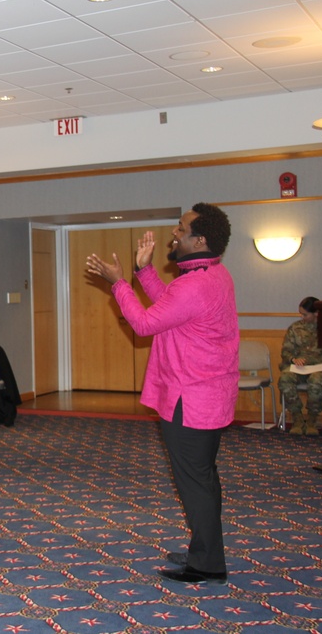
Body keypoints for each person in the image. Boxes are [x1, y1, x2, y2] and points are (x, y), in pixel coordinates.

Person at [86, 203, 237, 586]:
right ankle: (205, 549)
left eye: (181, 228)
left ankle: (207, 565)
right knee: (203, 479)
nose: (174, 232)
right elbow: (170, 305)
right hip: (205, 394)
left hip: (192, 399)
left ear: (199, 239)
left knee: (195, 482)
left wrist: (119, 282)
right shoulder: (210, 275)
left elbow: (143, 323)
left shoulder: (196, 283)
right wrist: (143, 272)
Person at [278, 296, 322, 436]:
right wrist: (293, 359)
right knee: (285, 378)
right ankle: (297, 418)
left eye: (305, 314)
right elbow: (286, 351)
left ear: (316, 313)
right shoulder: (296, 328)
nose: (301, 317)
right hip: (301, 367)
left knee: (316, 380)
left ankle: (312, 419)